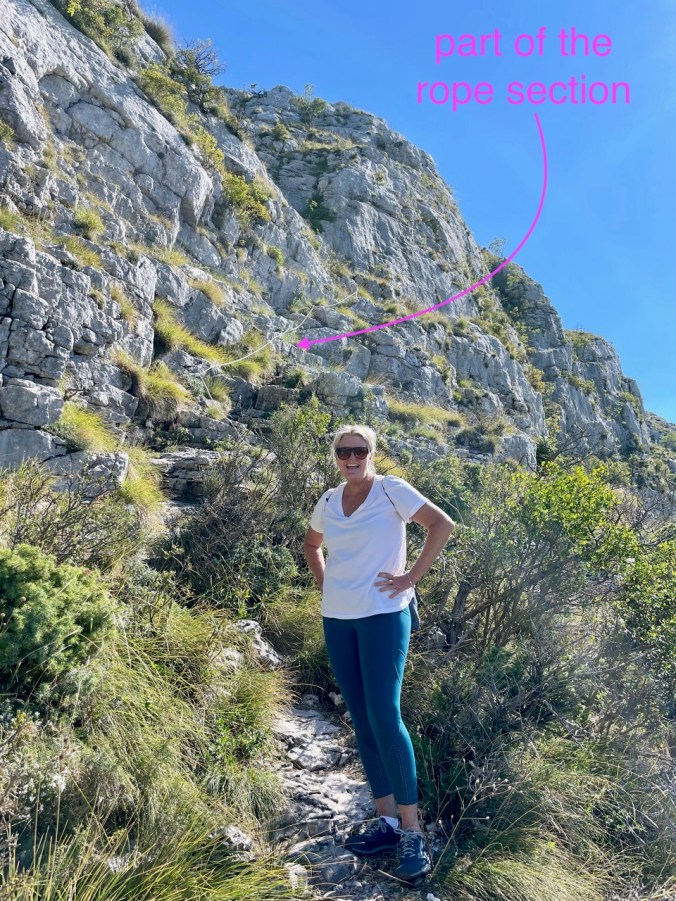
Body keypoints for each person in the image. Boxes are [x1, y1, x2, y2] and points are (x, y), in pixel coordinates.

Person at [303, 424, 455, 884]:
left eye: (360, 450)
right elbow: (311, 544)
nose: (352, 458)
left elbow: (442, 525)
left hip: (385, 615)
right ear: (335, 456)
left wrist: (410, 578)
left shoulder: (392, 490)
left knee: (385, 716)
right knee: (362, 717)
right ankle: (386, 823)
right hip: (338, 618)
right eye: (344, 451)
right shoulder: (329, 500)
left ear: (372, 452)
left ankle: (413, 831)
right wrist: (326, 583)